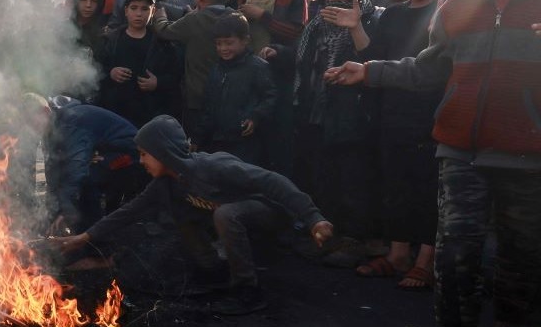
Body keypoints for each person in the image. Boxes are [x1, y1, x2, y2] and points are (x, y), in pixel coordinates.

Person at [326, 0, 541, 327]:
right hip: (459, 150)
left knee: (522, 248)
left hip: (528, 156)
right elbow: (427, 70)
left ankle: (512, 323)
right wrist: (371, 71)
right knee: (456, 250)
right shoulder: (461, 4)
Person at [52, 115, 334, 315]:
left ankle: (248, 291)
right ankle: (212, 272)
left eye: (144, 154)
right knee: (180, 212)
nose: (140, 161)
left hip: (269, 213)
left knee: (226, 213)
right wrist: (84, 238)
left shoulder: (214, 167)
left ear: (162, 152)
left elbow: (274, 182)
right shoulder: (166, 184)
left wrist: (313, 218)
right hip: (230, 219)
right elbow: (128, 212)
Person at [354, 0, 450, 290]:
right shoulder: (392, 15)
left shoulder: (448, 13)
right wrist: (355, 28)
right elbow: (373, 57)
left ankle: (425, 260)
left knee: (427, 189)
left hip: (432, 116)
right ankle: (397, 255)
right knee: (395, 185)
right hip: (390, 112)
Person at [278, 0, 379, 258]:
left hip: (352, 117)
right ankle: (326, 236)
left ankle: (353, 240)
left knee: (351, 180)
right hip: (316, 113)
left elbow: (372, 61)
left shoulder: (372, 19)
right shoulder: (316, 26)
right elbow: (303, 63)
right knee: (322, 178)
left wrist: (355, 25)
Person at [236, 0, 308, 177]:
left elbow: (297, 32)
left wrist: (262, 16)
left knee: (279, 143)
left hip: (278, 76)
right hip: (247, 74)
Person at [21, 93, 141, 236]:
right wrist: (52, 213)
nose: (29, 128)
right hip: (102, 150)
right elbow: (54, 169)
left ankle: (93, 242)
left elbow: (76, 168)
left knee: (87, 181)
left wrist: (67, 211)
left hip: (130, 153)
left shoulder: (71, 120)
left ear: (45, 112)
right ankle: (79, 231)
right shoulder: (52, 127)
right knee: (74, 179)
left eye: (30, 121)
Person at [153, 0, 249, 128]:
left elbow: (165, 31)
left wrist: (160, 18)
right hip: (231, 99)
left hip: (197, 100)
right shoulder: (239, 19)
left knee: (197, 144)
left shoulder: (195, 20)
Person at [194, 13, 276, 166]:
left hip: (246, 144)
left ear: (245, 40)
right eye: (218, 44)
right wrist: (197, 138)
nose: (223, 48)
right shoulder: (216, 70)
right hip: (218, 141)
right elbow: (207, 107)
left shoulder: (258, 67)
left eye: (229, 43)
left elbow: (270, 98)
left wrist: (255, 117)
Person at [95, 0, 178, 128]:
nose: (139, 14)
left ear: (153, 11)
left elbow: (175, 77)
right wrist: (111, 73)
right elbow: (96, 71)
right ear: (126, 11)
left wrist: (157, 83)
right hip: (115, 116)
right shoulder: (110, 40)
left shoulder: (163, 44)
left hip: (149, 119)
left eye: (145, 8)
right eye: (134, 8)